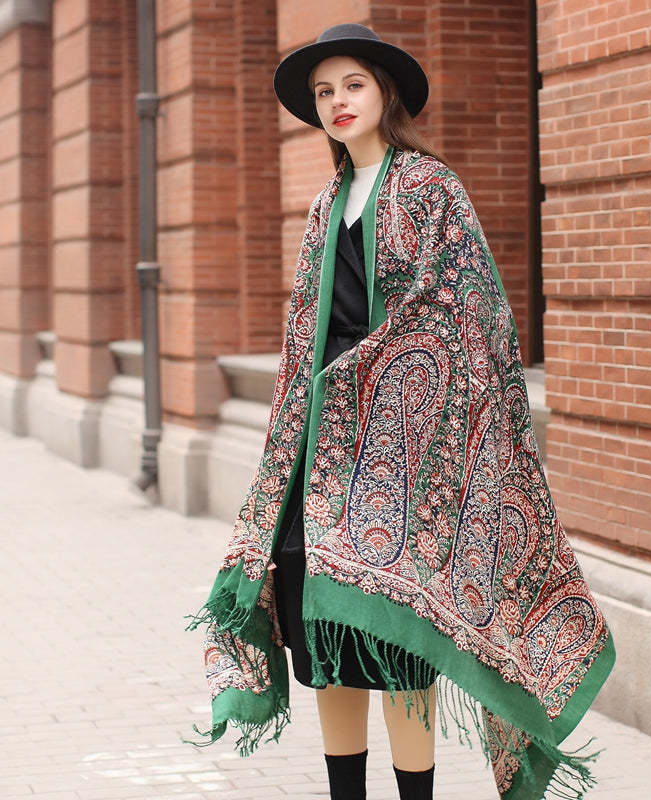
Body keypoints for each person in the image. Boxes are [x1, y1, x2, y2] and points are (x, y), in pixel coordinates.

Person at [188, 22, 616, 800]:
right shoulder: (324, 205)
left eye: (352, 85)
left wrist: (362, 380)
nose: (337, 102)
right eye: (324, 92)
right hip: (318, 466)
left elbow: (466, 320)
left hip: (407, 463)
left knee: (397, 642)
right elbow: (301, 339)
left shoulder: (430, 188)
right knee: (322, 636)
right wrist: (316, 406)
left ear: (385, 94)